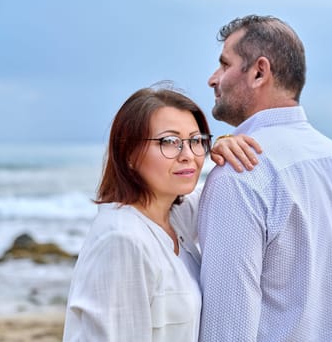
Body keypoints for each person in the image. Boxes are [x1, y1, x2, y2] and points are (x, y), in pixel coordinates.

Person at [198, 15, 332, 341]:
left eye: (224, 65)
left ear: (259, 72)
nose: (213, 79)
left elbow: (226, 328)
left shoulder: (241, 172)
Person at [63, 85, 261, 341]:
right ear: (129, 154)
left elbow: (220, 196)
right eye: (169, 142)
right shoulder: (122, 239)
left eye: (196, 141)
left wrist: (225, 144)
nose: (188, 155)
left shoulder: (173, 215)